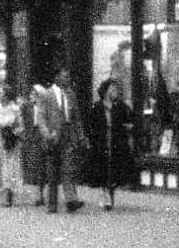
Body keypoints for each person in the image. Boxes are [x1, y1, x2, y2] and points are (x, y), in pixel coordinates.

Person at [38, 67, 86, 214]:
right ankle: (52, 203)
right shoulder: (47, 95)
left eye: (68, 77)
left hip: (68, 134)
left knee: (68, 168)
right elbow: (41, 117)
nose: (67, 79)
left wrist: (80, 135)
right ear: (57, 78)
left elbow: (76, 117)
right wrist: (47, 134)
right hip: (53, 136)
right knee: (52, 170)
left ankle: (71, 200)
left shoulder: (71, 94)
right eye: (64, 77)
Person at [86, 78, 135, 211]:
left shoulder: (121, 106)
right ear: (106, 91)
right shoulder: (97, 106)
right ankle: (105, 194)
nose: (116, 92)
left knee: (113, 168)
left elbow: (130, 120)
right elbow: (90, 125)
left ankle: (110, 195)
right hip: (102, 142)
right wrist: (92, 139)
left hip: (116, 142)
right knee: (103, 168)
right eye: (113, 89)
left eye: (116, 89)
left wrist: (128, 126)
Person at [0, 85, 23, 206]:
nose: (0, 96)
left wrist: (14, 133)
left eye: (2, 94)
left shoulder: (14, 108)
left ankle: (10, 196)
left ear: (7, 95)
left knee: (12, 167)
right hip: (1, 141)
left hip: (12, 142)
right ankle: (6, 194)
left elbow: (20, 125)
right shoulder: (0, 109)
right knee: (4, 167)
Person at [20, 85, 47, 206]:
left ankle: (40, 193)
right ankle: (37, 194)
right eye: (31, 93)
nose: (32, 95)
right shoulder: (26, 106)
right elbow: (23, 120)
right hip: (31, 136)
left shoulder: (44, 106)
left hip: (41, 134)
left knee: (42, 165)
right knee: (34, 165)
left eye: (35, 93)